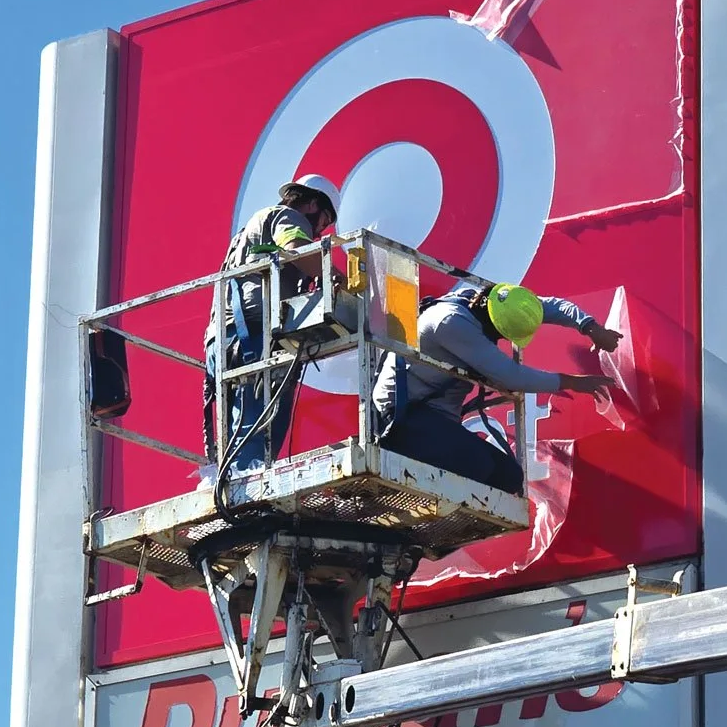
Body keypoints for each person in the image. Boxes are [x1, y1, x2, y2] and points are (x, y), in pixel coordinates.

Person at [374, 282, 620, 495]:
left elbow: (551, 306)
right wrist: (573, 382)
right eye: (501, 335)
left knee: (508, 477)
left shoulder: (493, 302)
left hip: (434, 419)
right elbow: (511, 377)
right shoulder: (451, 322)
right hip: (401, 416)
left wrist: (590, 327)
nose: (499, 340)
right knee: (478, 466)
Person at [204, 173, 341, 475]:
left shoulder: (250, 229)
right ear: (312, 204)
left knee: (239, 434)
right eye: (324, 220)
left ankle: (234, 487)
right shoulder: (288, 216)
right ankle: (247, 500)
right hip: (250, 336)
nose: (320, 230)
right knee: (258, 433)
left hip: (224, 341)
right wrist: (336, 278)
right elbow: (295, 248)